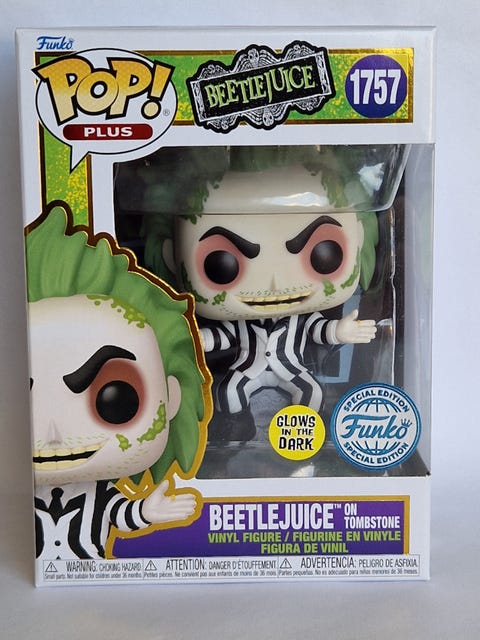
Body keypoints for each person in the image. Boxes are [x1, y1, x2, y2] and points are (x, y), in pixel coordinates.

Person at [26, 206, 211, 559]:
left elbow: (121, 515)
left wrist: (147, 512)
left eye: (114, 400)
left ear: (170, 396)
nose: (53, 434)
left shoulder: (100, 494)